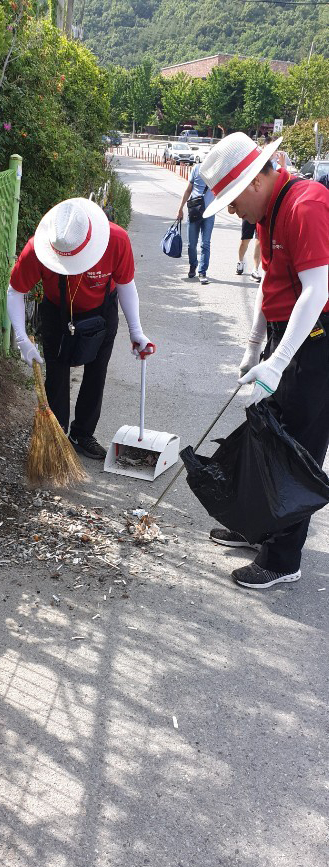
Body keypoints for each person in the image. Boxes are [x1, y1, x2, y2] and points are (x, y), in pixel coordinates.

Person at [199, 131, 329, 589]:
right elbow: (269, 282)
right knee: (266, 432)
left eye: (234, 201)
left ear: (256, 181)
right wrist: (256, 345)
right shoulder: (269, 212)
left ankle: (281, 558)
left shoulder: (305, 205)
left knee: (295, 448)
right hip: (287, 335)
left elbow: (317, 291)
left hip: (317, 341)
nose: (233, 211)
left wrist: (279, 362)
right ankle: (255, 525)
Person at [7, 197, 156, 460]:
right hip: (57, 312)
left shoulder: (116, 240)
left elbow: (125, 284)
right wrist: (22, 339)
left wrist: (136, 331)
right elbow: (15, 290)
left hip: (102, 311)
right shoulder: (37, 248)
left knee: (97, 371)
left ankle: (82, 433)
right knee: (56, 372)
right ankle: (56, 436)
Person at [176, 163, 215, 284]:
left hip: (209, 212)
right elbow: (188, 190)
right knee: (191, 244)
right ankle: (193, 265)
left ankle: (202, 272)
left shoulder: (217, 172)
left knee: (205, 243)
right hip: (194, 210)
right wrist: (180, 208)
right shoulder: (196, 169)